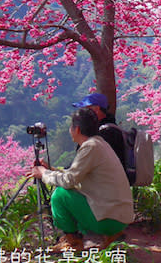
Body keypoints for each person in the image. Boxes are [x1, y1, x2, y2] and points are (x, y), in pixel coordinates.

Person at [30, 108, 134, 253]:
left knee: (60, 195)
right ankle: (110, 236)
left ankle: (72, 242)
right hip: (120, 217)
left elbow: (68, 181)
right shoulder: (99, 144)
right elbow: (76, 175)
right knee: (69, 190)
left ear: (76, 129)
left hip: (110, 220)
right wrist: (51, 170)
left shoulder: (90, 147)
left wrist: (43, 174)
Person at [72, 93, 127, 181]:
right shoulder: (110, 130)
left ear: (96, 109)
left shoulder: (106, 134)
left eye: (85, 109)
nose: (82, 114)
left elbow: (80, 168)